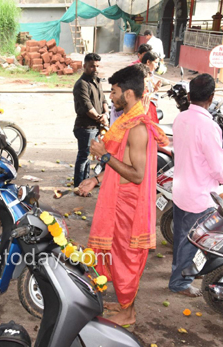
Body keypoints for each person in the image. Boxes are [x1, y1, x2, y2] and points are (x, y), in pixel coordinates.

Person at [87, 64, 168, 325]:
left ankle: (128, 314)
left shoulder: (137, 128)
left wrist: (104, 155)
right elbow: (119, 164)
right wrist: (96, 179)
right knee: (114, 254)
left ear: (129, 93)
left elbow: (136, 174)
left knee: (126, 259)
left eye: (114, 92)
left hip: (128, 206)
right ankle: (125, 305)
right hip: (117, 201)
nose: (111, 97)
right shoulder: (126, 122)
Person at [169, 74, 223, 297]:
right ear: (212, 97)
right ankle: (180, 283)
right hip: (199, 193)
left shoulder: (181, 118)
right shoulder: (209, 126)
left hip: (180, 189)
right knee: (191, 240)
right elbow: (217, 168)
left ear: (189, 96)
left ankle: (179, 273)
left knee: (181, 238)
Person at [72, 53, 109, 192]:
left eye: (97, 66)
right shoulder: (81, 84)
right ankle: (79, 186)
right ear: (84, 66)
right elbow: (88, 108)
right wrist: (101, 117)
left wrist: (106, 114)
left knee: (88, 157)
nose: (95, 69)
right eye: (92, 66)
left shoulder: (97, 81)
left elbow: (104, 100)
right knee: (83, 157)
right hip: (85, 127)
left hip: (95, 126)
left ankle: (86, 183)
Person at [141, 51, 162, 123]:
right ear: (148, 62)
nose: (157, 65)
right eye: (155, 62)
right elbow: (144, 96)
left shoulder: (150, 74)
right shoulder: (142, 74)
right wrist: (155, 92)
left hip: (149, 107)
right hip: (144, 108)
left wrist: (155, 89)